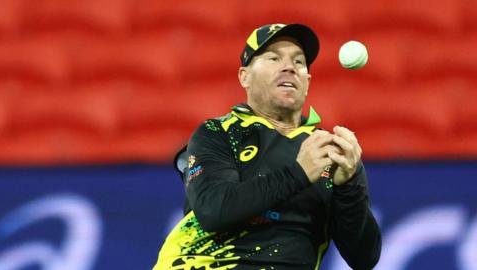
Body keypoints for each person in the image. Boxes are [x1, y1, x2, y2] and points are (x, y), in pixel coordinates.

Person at [154, 23, 381, 270]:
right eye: (273, 58)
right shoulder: (218, 132)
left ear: (308, 81)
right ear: (245, 76)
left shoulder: (329, 151)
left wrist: (348, 187)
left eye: (298, 62)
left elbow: (364, 258)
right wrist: (299, 173)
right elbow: (213, 210)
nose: (289, 67)